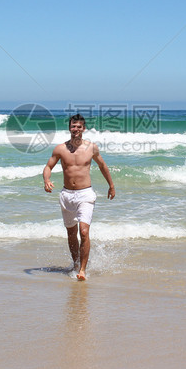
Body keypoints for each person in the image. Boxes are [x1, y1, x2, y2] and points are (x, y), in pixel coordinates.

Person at [43, 114, 115, 280]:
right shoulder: (60, 149)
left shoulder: (91, 148)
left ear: (84, 129)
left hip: (85, 194)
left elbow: (103, 166)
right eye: (73, 126)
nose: (76, 129)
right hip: (66, 195)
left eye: (79, 127)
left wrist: (111, 185)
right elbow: (48, 166)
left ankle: (82, 270)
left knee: (83, 232)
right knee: (71, 233)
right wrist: (46, 180)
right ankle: (75, 263)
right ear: (69, 128)